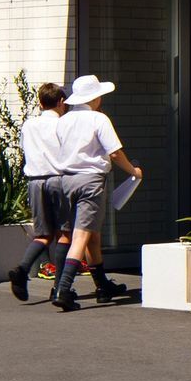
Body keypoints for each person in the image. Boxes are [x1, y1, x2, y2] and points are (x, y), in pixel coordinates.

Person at [47, 72, 142, 312]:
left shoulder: (63, 120)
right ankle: (63, 289)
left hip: (66, 181)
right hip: (91, 182)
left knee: (90, 234)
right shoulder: (99, 120)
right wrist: (133, 170)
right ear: (95, 97)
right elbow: (114, 152)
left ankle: (102, 285)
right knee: (81, 236)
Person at [11, 81, 64, 304]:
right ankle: (60, 286)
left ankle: (23, 268)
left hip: (34, 180)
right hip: (58, 179)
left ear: (40, 103)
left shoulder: (28, 125)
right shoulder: (63, 124)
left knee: (43, 234)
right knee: (65, 233)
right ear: (61, 102)